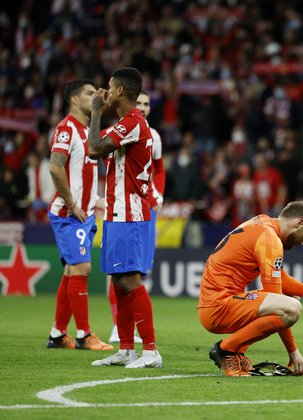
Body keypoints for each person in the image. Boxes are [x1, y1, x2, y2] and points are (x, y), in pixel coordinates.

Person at [198, 201, 303, 377]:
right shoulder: (270, 240)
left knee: (289, 299)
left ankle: (236, 352)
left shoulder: (263, 223)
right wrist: (293, 351)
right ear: (298, 223)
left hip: (215, 304)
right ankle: (226, 350)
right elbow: (278, 301)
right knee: (292, 308)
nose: (302, 242)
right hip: (218, 308)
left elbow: (280, 279)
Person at [87, 67, 163, 368]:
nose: (105, 91)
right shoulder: (124, 125)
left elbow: (93, 148)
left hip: (130, 214)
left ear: (119, 91)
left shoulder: (133, 122)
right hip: (117, 214)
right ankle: (127, 349)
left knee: (130, 280)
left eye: (109, 86)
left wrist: (95, 112)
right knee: (119, 281)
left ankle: (152, 352)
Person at [45, 79, 114, 352]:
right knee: (82, 268)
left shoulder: (88, 131)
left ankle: (57, 334)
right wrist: (73, 203)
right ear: (74, 100)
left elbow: (82, 174)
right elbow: (54, 168)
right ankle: (85, 335)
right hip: (68, 213)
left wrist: (94, 200)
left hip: (83, 212)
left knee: (71, 270)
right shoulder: (66, 129)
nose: (94, 95)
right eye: (88, 93)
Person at [107, 89, 165, 344]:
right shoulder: (123, 128)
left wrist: (159, 194)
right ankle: (123, 337)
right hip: (121, 207)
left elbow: (159, 168)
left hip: (136, 207)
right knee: (120, 274)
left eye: (146, 103)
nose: (142, 107)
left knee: (133, 274)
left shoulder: (147, 133)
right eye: (139, 102)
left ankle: (148, 348)